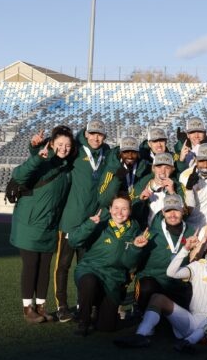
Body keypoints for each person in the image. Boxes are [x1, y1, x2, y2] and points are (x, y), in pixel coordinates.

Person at [115, 230, 207, 352]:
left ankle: (189, 341)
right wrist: (185, 249)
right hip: (192, 320)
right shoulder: (198, 266)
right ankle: (141, 335)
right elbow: (171, 272)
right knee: (157, 298)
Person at [10, 126, 73, 324]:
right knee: (31, 265)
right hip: (29, 223)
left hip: (49, 225)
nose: (64, 148)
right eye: (60, 144)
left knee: (45, 267)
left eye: (68, 145)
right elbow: (19, 175)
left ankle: (41, 306)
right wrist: (37, 156)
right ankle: (27, 308)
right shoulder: (42, 160)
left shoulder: (66, 167)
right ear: (52, 143)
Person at [54, 119, 111, 322]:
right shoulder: (76, 149)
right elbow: (57, 148)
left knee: (85, 266)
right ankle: (61, 305)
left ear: (104, 136)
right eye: (92, 133)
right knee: (63, 265)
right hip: (71, 220)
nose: (96, 137)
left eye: (100, 134)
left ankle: (83, 304)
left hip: (92, 222)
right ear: (86, 134)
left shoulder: (106, 153)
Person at [68, 194, 147, 335]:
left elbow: (129, 263)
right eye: (116, 208)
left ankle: (100, 308)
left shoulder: (135, 231)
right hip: (91, 270)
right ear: (110, 209)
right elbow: (73, 242)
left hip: (113, 278)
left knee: (107, 327)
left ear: (130, 211)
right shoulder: (100, 224)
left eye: (124, 209)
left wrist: (135, 248)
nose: (119, 212)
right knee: (89, 281)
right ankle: (83, 320)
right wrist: (89, 225)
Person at [134, 194, 197, 312]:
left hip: (177, 285)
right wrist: (136, 248)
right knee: (147, 287)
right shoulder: (150, 233)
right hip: (154, 282)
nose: (172, 215)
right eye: (169, 211)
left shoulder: (192, 233)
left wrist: (198, 248)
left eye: (176, 210)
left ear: (183, 211)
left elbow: (195, 263)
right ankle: (142, 311)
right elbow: (132, 263)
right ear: (163, 212)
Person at [98, 136, 150, 207]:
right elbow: (103, 200)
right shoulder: (111, 168)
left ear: (138, 154)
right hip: (116, 211)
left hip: (136, 209)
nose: (130, 156)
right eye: (126, 152)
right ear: (120, 153)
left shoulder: (144, 167)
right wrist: (117, 179)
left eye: (133, 152)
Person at [136, 152, 185, 226]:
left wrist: (172, 193)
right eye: (159, 167)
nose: (162, 171)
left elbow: (186, 212)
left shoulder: (178, 186)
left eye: (167, 168)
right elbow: (131, 212)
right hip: (145, 232)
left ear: (172, 169)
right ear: (153, 168)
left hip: (167, 232)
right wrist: (141, 201)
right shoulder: (142, 184)